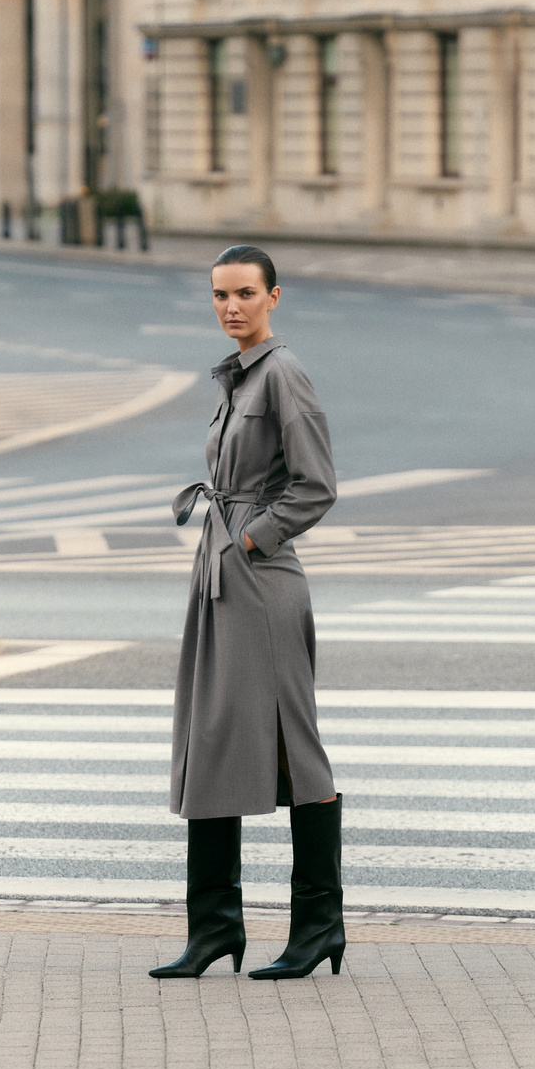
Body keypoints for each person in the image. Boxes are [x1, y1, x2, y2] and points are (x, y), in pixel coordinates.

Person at [149, 245, 344, 981]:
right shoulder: (238, 376)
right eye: (219, 296)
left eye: (245, 294)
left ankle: (319, 927)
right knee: (212, 735)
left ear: (274, 297)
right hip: (221, 573)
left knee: (295, 748)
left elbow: (315, 485)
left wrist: (253, 538)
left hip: (259, 578)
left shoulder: (283, 375)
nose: (231, 306)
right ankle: (215, 930)